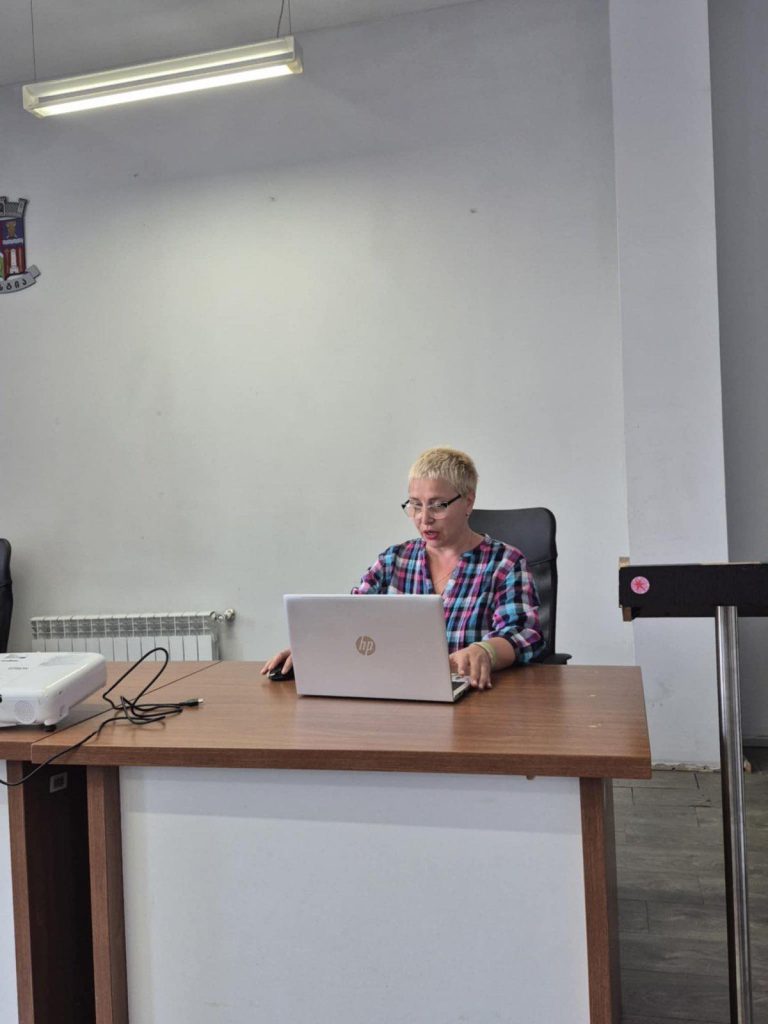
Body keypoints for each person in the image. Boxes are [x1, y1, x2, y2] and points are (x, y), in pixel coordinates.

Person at [261, 446, 544, 690]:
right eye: (415, 505)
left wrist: (486, 651)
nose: (424, 518)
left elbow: (524, 633)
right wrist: (313, 650)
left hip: (473, 696)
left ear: (468, 501)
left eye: (438, 506)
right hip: (396, 691)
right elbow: (351, 619)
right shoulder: (394, 560)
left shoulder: (504, 563)